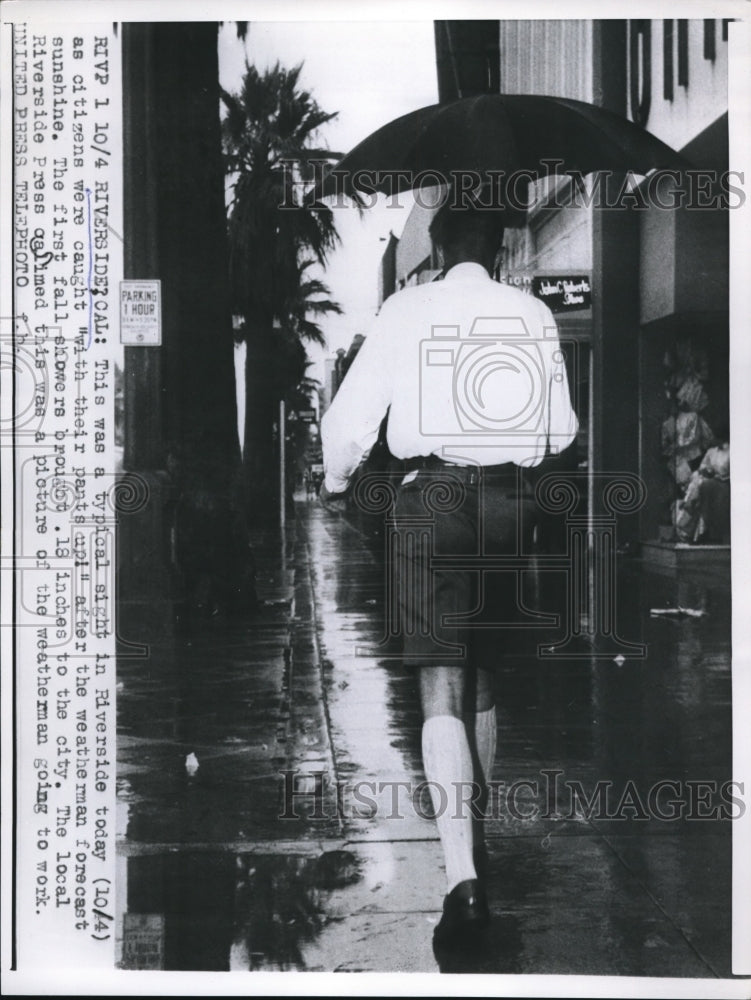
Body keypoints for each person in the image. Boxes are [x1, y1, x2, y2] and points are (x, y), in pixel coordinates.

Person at [320, 200, 578, 949]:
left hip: (430, 500)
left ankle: (462, 879)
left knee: (438, 676)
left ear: (435, 247)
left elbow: (350, 420)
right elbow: (559, 428)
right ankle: (479, 836)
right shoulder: (529, 313)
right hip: (507, 500)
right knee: (485, 675)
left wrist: (338, 478)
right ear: (498, 249)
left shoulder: (407, 307)